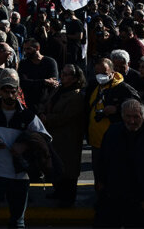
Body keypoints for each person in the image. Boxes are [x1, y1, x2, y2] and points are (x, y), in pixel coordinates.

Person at [0, 68, 51, 228]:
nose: (9, 95)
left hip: (19, 176)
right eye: (5, 91)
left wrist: (25, 145)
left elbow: (45, 137)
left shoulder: (28, 115)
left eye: (12, 91)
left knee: (17, 220)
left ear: (18, 91)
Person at [94, 99, 144, 227]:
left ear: (143, 116)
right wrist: (100, 186)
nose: (132, 121)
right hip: (113, 199)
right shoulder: (113, 132)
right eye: (128, 116)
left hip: (139, 202)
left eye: (136, 117)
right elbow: (102, 161)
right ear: (122, 116)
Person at [39, 64, 86, 207]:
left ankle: (68, 197)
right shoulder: (59, 89)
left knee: (69, 169)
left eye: (66, 74)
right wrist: (42, 112)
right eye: (62, 73)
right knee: (56, 166)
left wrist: (48, 119)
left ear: (75, 78)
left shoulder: (76, 95)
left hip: (68, 136)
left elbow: (67, 116)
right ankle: (58, 191)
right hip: (54, 135)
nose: (63, 76)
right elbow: (47, 101)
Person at [87, 57, 140, 174]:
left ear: (112, 71)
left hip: (116, 143)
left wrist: (117, 109)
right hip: (96, 142)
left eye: (104, 73)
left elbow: (138, 107)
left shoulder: (123, 88)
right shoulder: (94, 86)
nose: (100, 76)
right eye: (97, 73)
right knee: (99, 175)